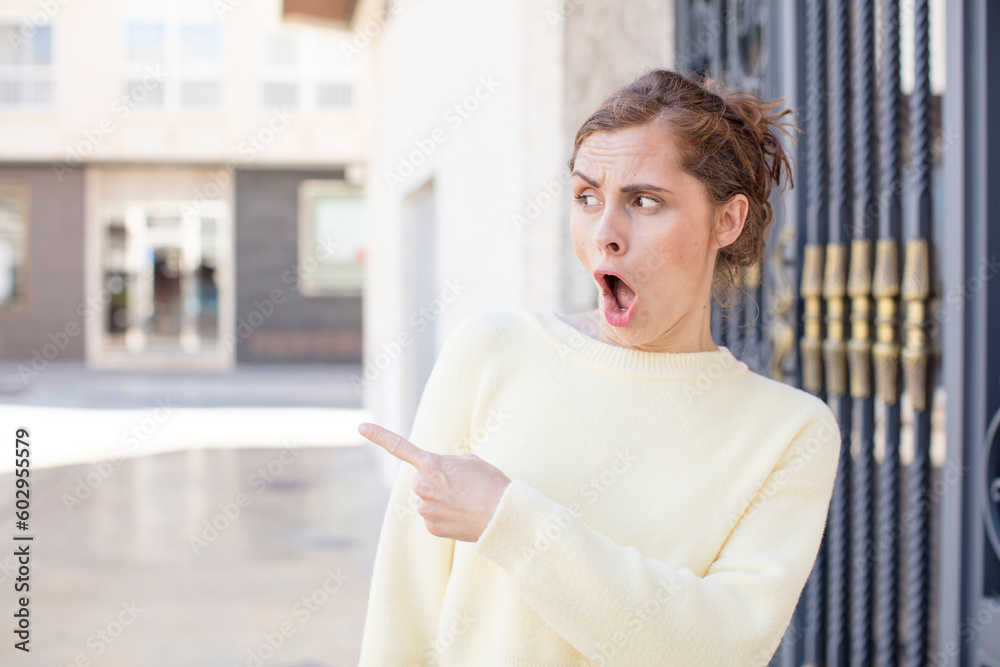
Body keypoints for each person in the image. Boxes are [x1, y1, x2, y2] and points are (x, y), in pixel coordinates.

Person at [356, 68, 841, 666]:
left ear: (727, 220)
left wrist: (507, 519)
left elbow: (722, 647)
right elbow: (402, 615)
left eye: (644, 200)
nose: (604, 234)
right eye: (587, 198)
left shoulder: (789, 431)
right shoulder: (491, 352)